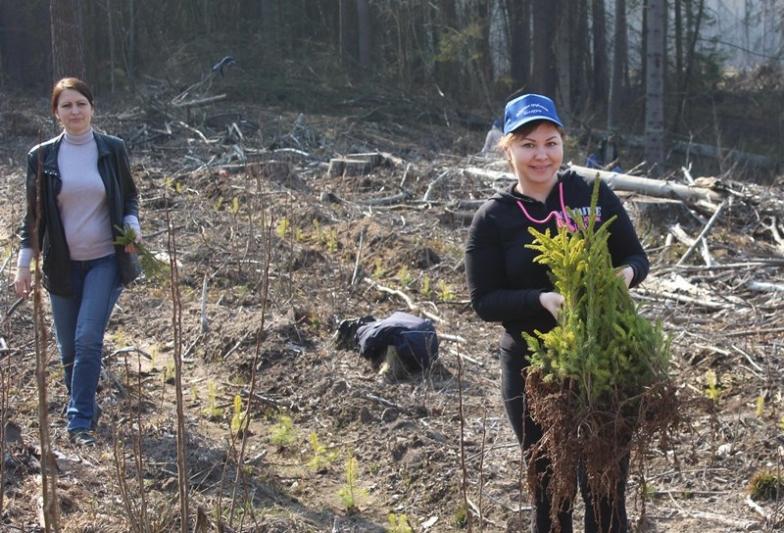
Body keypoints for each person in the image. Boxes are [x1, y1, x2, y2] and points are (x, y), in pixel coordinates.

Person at [464, 94, 649, 533]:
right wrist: (539, 300)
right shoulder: (493, 219)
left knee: (606, 492)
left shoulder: (592, 195)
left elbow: (637, 257)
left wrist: (624, 276)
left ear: (563, 144)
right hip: (532, 370)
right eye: (528, 144)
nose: (541, 155)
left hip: (604, 365)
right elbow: (483, 300)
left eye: (551, 142)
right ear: (507, 149)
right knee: (551, 494)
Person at [14, 77, 142, 446]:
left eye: (80, 104)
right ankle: (84, 404)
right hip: (62, 266)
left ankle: (79, 422)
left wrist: (131, 228)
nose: (75, 111)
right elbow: (33, 218)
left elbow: (129, 198)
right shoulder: (41, 157)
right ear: (56, 113)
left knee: (88, 340)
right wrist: (24, 265)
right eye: (66, 106)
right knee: (69, 350)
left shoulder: (112, 149)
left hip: (105, 260)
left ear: (92, 107)